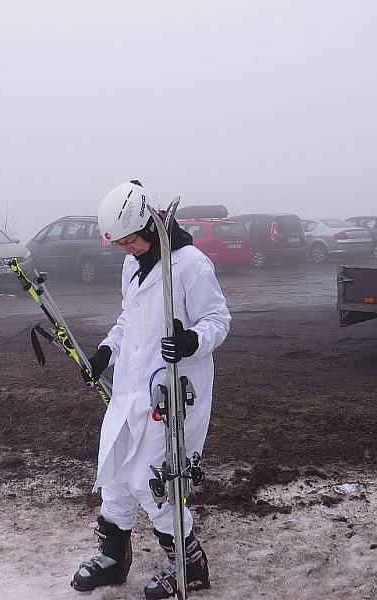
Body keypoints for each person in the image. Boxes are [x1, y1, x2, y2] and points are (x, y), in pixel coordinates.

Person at [71, 180, 231, 599]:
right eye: (119, 243)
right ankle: (112, 557)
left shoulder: (191, 264)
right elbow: (129, 319)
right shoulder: (133, 265)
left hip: (174, 391)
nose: (125, 248)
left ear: (148, 224)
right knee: (116, 469)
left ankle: (189, 565)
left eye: (129, 240)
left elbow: (218, 319)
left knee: (153, 479)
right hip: (130, 385)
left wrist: (193, 340)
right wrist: (106, 350)